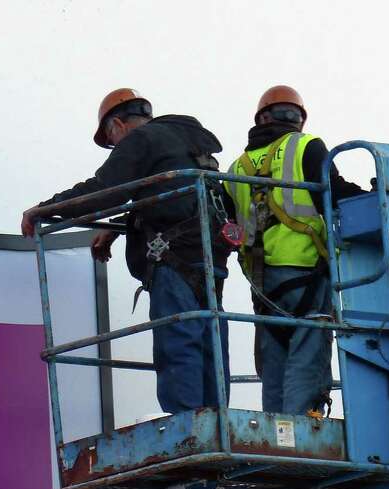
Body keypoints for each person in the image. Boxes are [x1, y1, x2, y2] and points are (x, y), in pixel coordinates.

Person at [22, 88, 236, 414]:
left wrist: (44, 209)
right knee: (209, 338)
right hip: (208, 255)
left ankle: (187, 422)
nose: (115, 145)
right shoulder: (185, 140)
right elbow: (170, 194)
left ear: (118, 125)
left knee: (178, 340)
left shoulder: (141, 140)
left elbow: (104, 190)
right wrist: (120, 225)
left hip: (173, 257)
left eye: (111, 138)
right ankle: (217, 421)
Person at [224, 85, 364, 415]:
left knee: (275, 355)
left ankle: (278, 431)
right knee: (308, 347)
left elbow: (229, 227)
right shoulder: (306, 146)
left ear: (261, 120)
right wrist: (378, 196)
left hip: (262, 279)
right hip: (304, 268)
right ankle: (302, 428)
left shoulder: (236, 169)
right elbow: (334, 194)